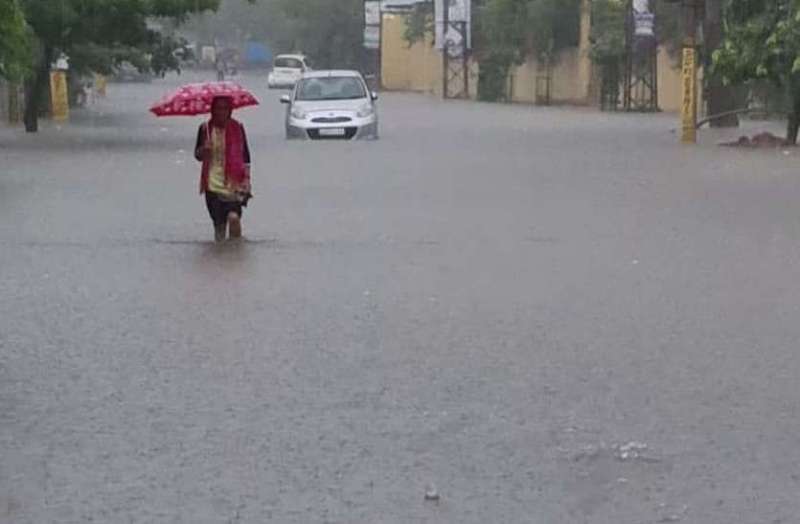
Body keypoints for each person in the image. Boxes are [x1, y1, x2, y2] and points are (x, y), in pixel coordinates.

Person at [194, 96, 252, 242]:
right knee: (219, 227)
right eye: (218, 108)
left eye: (225, 108)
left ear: (230, 111)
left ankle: (236, 252)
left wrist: (247, 179)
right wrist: (204, 150)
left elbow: (245, 156)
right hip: (212, 184)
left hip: (233, 184)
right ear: (212, 110)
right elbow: (197, 155)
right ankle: (221, 257)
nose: (222, 112)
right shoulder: (205, 129)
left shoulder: (238, 128)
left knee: (234, 218)